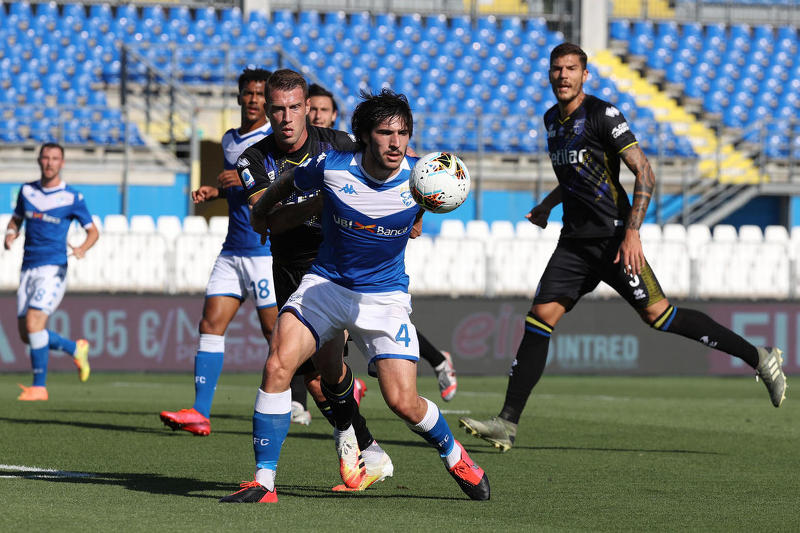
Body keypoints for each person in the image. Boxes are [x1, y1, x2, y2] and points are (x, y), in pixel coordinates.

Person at [459, 42, 787, 452]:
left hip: (615, 239)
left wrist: (633, 233)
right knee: (539, 318)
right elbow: (577, 176)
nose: (563, 75)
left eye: (571, 69)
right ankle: (507, 422)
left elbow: (644, 172)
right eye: (557, 69)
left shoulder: (603, 114)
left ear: (585, 75)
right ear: (549, 74)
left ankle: (760, 357)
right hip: (574, 243)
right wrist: (546, 204)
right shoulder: (551, 121)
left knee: (659, 315)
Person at [219, 88, 489, 503]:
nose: (395, 142)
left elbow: (418, 219)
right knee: (279, 365)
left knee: (403, 402)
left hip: (385, 297)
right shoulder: (332, 167)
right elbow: (290, 180)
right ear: (365, 135)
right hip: (326, 285)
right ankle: (264, 481)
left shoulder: (423, 177)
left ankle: (455, 455)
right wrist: (262, 213)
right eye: (385, 133)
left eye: (402, 133)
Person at [229, 70, 396, 495]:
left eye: (293, 108)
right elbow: (268, 219)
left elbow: (383, 177)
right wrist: (322, 197)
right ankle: (366, 446)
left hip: (336, 269)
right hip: (289, 268)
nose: (285, 117)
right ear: (267, 110)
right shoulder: (252, 159)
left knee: (302, 369)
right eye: (277, 109)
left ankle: (276, 474)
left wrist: (412, 213)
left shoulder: (338, 144)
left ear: (307, 108)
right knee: (320, 375)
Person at [304, 82, 458, 403]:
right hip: (323, 256)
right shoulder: (309, 150)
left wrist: (417, 215)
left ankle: (351, 420)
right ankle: (343, 422)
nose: (317, 116)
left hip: (360, 263)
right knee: (318, 354)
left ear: (334, 115)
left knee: (352, 325)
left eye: (323, 110)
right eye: (312, 109)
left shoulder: (349, 146)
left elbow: (415, 174)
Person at [159, 68, 277, 435]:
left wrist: (240, 181)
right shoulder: (229, 140)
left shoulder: (273, 140)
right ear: (239, 96)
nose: (254, 99)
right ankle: (200, 413)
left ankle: (341, 384)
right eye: (249, 93)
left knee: (276, 335)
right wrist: (217, 191)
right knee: (210, 324)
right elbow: (237, 188)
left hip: (264, 250)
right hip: (233, 248)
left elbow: (280, 186)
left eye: (261, 94)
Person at [5, 143, 98, 401]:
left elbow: (93, 231)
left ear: (62, 163)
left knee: (35, 323)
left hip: (53, 267)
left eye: (55, 158)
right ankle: (75, 348)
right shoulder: (27, 191)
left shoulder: (72, 197)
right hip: (27, 269)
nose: (49, 163)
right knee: (27, 334)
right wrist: (11, 232)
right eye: (45, 157)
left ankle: (39, 387)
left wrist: (81, 248)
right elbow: (17, 218)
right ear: (39, 160)